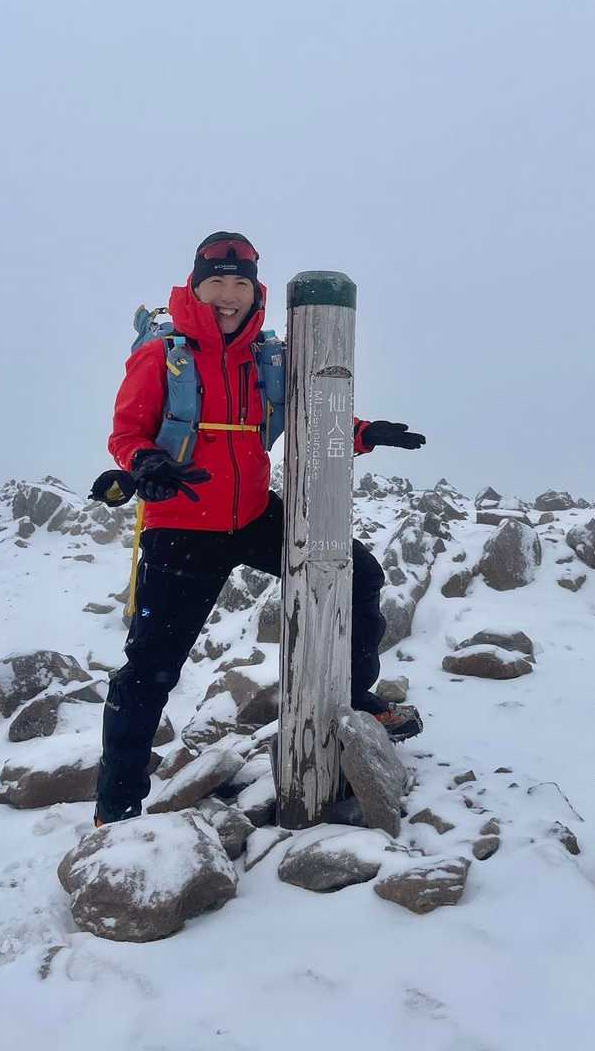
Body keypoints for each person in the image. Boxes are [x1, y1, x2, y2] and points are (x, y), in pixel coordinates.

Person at [93, 232, 426, 827]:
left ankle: (354, 698)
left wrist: (363, 433)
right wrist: (146, 464)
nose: (228, 295)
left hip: (252, 516)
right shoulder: (164, 354)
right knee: (150, 669)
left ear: (256, 291)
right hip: (182, 527)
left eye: (240, 284)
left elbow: (308, 410)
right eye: (217, 282)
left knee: (357, 574)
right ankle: (116, 808)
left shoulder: (266, 356)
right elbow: (127, 433)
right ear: (196, 286)